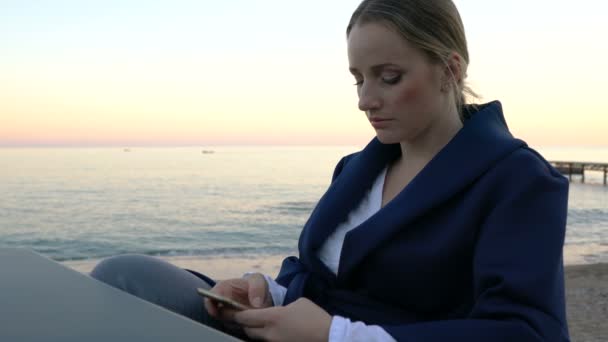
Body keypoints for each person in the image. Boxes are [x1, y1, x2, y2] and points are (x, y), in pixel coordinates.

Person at [91, 0, 571, 341]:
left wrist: (336, 335)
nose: (365, 100)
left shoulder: (518, 181)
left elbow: (529, 331)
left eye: (389, 77)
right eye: (358, 80)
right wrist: (263, 289)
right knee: (124, 275)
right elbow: (313, 270)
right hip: (290, 327)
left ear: (450, 70)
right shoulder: (357, 169)